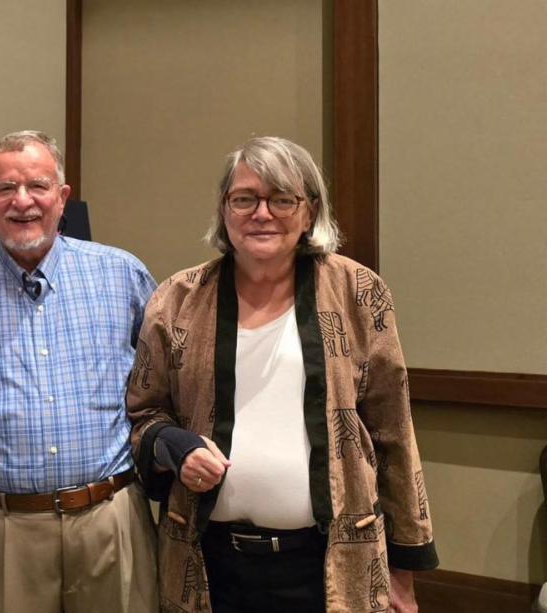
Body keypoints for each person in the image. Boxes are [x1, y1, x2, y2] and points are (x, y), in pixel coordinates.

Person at [127, 136, 438, 612]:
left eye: (282, 199)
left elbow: (393, 431)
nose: (262, 213)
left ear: (310, 212)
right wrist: (174, 447)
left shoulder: (359, 292)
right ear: (224, 210)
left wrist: (403, 569)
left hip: (330, 566)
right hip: (208, 564)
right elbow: (145, 414)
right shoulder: (177, 299)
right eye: (244, 199)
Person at [0, 130, 159, 613]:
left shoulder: (123, 275)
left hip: (110, 518)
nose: (22, 201)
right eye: (6, 188)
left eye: (37, 186)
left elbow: (162, 392)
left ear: (62, 196)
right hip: (5, 529)